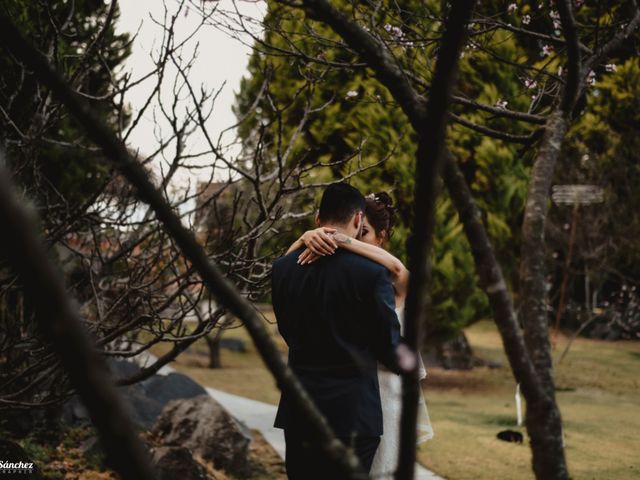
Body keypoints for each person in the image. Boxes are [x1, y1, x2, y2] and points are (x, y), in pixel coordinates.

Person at [289, 191, 433, 478]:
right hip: (347, 398)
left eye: (363, 233)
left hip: (385, 395)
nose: (355, 238)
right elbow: (286, 274)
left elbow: (395, 267)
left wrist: (341, 238)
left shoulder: (396, 281)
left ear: (380, 238)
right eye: (355, 229)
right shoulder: (345, 278)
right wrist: (305, 238)